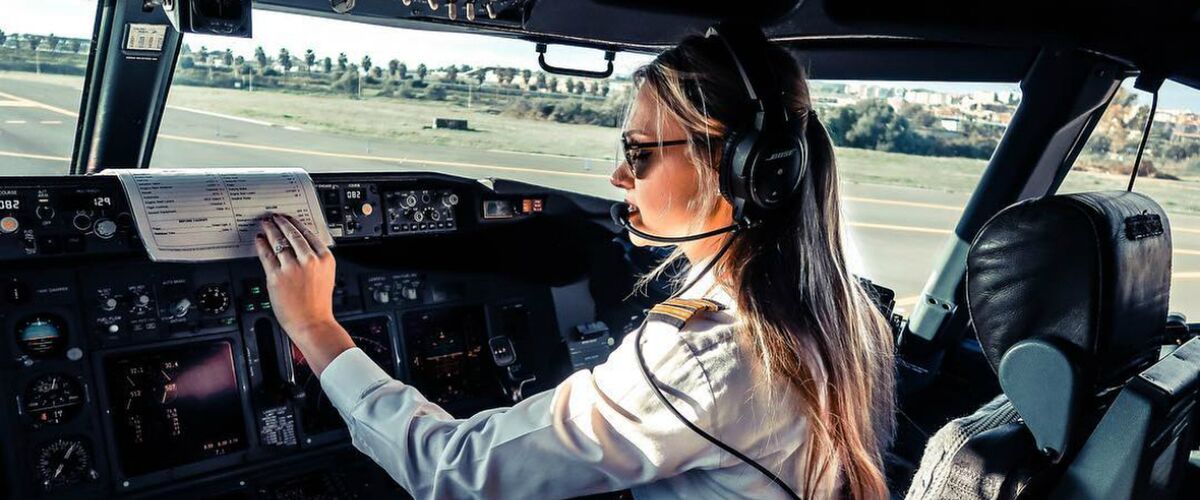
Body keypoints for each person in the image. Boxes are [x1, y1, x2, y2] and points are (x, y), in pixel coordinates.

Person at [254, 28, 895, 500]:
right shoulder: (842, 315)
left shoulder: (705, 355)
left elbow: (453, 470)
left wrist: (314, 328)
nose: (619, 176)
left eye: (639, 153)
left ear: (741, 168)